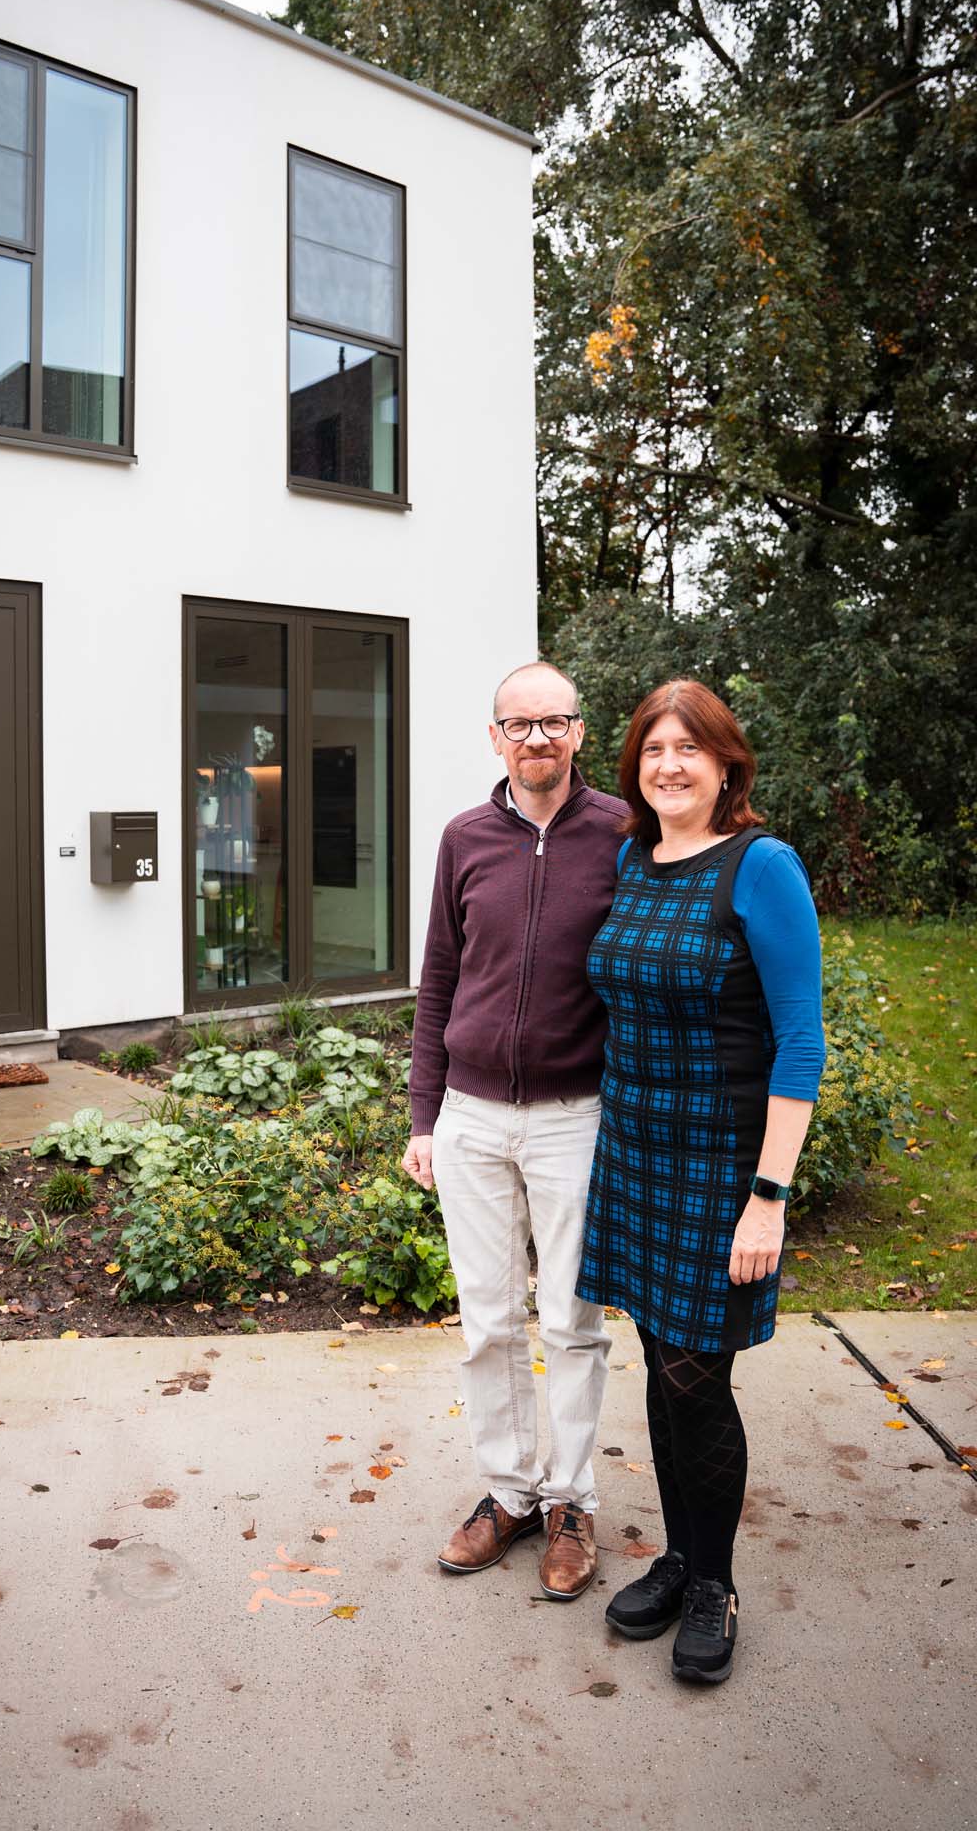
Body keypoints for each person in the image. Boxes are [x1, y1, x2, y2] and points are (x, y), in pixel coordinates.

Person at [575, 679, 825, 1685]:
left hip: (720, 1168)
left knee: (696, 1377)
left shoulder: (760, 865)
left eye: (688, 748)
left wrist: (767, 1193)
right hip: (635, 1156)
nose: (667, 764)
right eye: (651, 750)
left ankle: (715, 1582)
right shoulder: (635, 859)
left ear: (727, 764)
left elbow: (800, 1040)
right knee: (659, 1365)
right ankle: (678, 1556)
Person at [402, 661, 628, 1599]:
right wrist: (424, 1115)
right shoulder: (464, 839)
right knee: (486, 1322)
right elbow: (438, 984)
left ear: (577, 732)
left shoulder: (623, 833)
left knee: (572, 1323)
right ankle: (508, 1495)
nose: (537, 738)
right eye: (518, 724)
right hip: (472, 1117)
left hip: (575, 1117)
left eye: (554, 722)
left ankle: (570, 1501)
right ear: (494, 737)